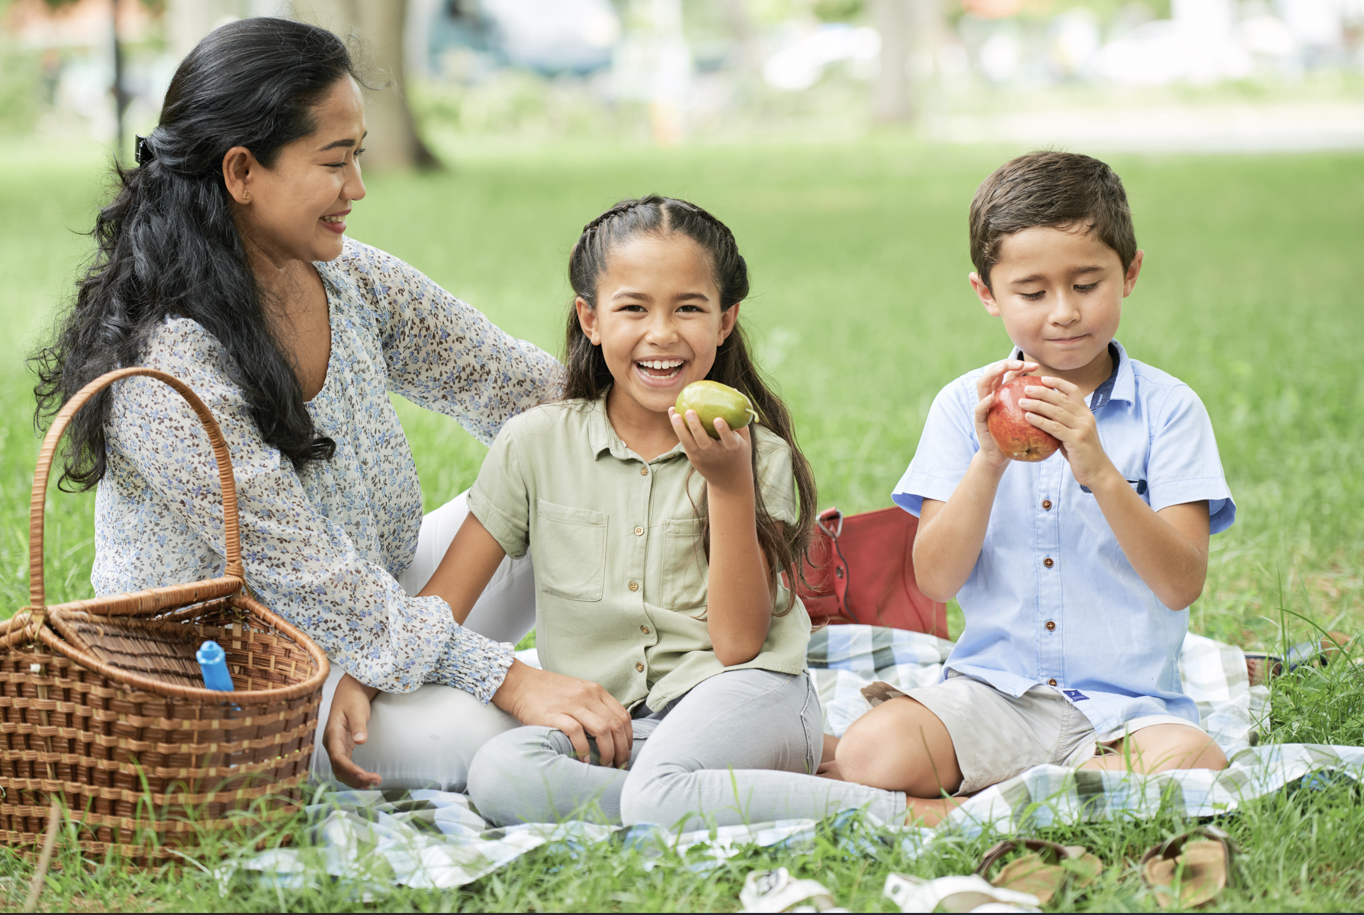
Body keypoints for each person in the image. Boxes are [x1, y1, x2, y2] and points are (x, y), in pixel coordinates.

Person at [31, 17, 632, 792]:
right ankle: (641, 744)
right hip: (244, 686)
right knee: (493, 730)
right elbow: (308, 577)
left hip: (369, 618)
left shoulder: (349, 280)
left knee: (571, 472)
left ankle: (662, 679)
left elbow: (520, 387)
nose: (358, 187)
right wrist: (510, 680)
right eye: (334, 161)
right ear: (242, 171)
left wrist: (674, 436)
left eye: (359, 155)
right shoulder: (168, 365)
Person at [327, 196, 912, 830]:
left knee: (656, 791)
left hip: (746, 693)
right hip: (621, 730)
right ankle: (719, 792)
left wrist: (729, 486)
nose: (662, 333)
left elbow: (741, 645)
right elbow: (445, 599)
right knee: (500, 776)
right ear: (591, 317)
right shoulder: (534, 443)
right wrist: (366, 676)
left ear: (725, 320)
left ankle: (915, 815)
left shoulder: (752, 455)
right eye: (633, 307)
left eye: (689, 307)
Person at [834, 151, 1235, 825]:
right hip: (995, 694)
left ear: (1129, 272)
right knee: (869, 751)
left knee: (1195, 757)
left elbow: (1180, 583)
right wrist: (988, 459)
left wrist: (1102, 471)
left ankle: (991, 802)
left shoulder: (1171, 410)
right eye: (1032, 291)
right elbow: (934, 579)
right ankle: (1065, 794)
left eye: (1087, 284)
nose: (1064, 313)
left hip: (1128, 712)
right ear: (987, 294)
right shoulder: (964, 406)